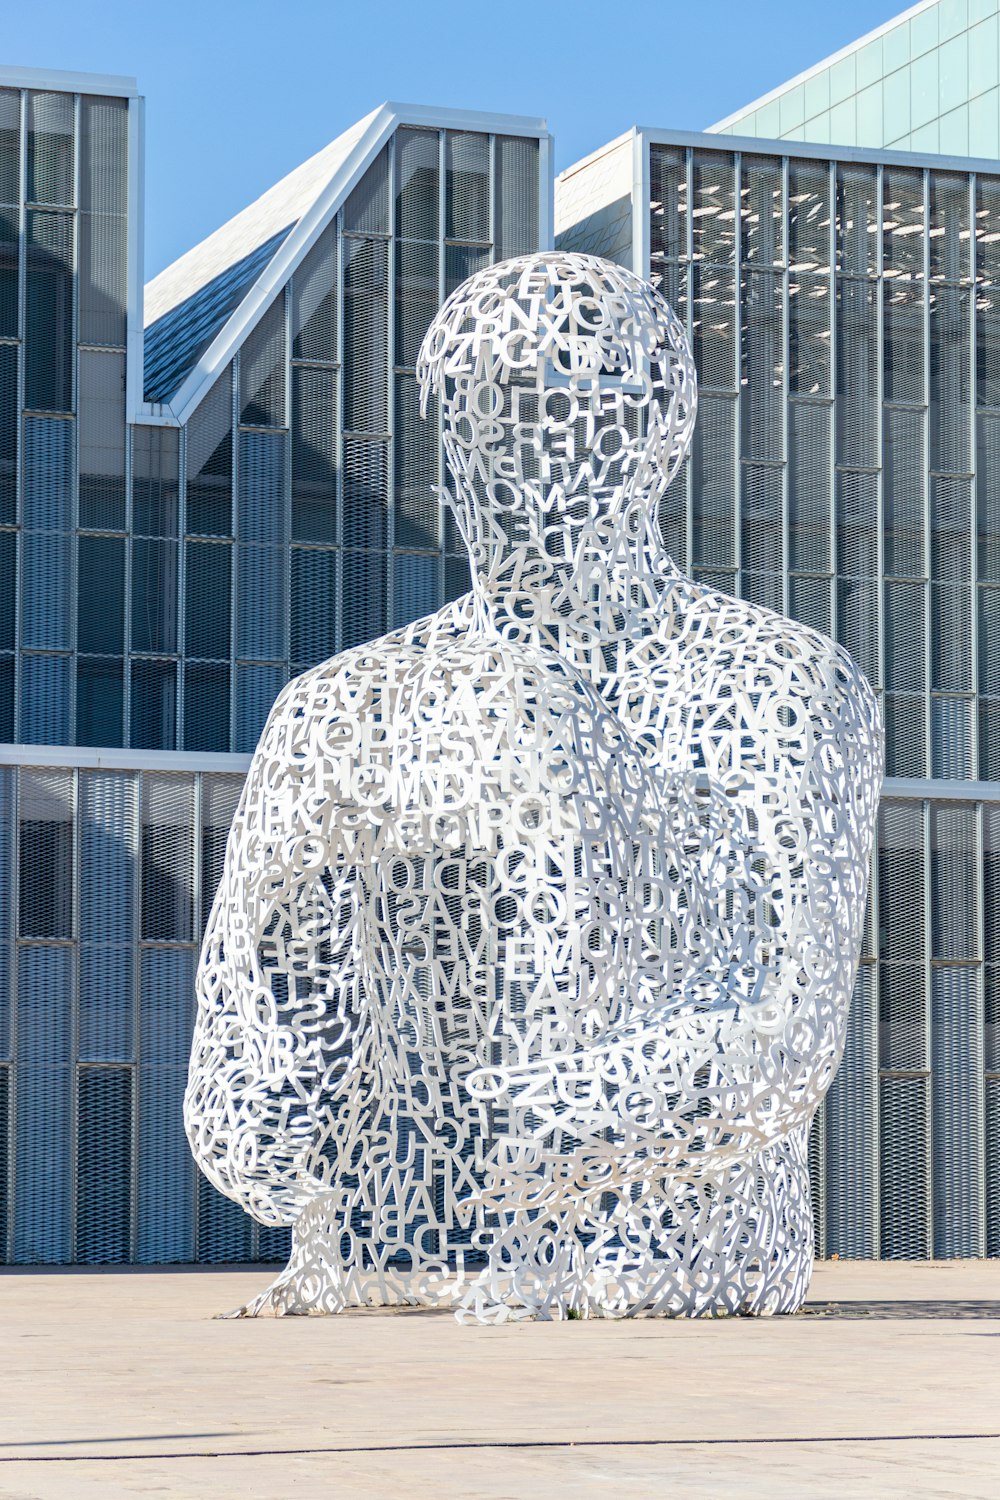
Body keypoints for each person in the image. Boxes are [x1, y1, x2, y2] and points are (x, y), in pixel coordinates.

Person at [186, 253, 882, 1321]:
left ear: (659, 429)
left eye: (549, 407)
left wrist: (467, 1136)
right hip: (382, 1289)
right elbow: (251, 1134)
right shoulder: (339, 711)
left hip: (673, 1277)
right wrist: (289, 961)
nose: (503, 455)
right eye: (466, 414)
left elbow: (782, 1040)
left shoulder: (776, 682)